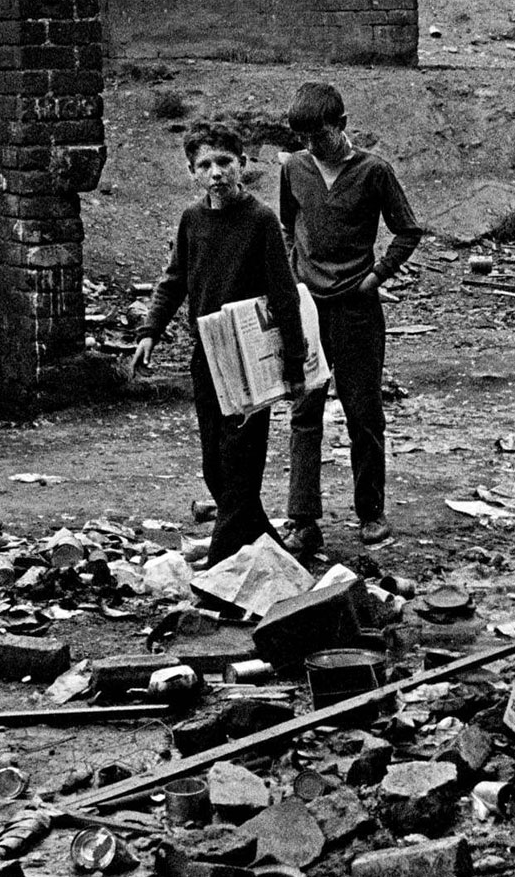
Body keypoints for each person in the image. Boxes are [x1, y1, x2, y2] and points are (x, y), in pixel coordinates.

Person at [132, 120, 306, 568]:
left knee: (242, 459)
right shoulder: (192, 219)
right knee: (215, 462)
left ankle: (223, 561)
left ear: (243, 165)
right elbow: (175, 280)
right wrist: (151, 331)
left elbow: (284, 295)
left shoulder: (261, 220)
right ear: (192, 171)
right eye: (205, 165)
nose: (216, 173)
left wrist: (294, 361)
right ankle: (263, 539)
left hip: (250, 357)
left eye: (224, 163)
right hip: (206, 356)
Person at [279, 82, 422, 555]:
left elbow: (407, 230)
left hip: (357, 310)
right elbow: (288, 226)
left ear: (341, 125)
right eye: (303, 138)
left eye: (319, 135)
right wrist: (291, 282)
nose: (312, 146)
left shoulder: (374, 171)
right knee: (304, 411)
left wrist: (375, 276)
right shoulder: (294, 169)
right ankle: (303, 520)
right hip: (307, 310)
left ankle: (371, 512)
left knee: (364, 414)